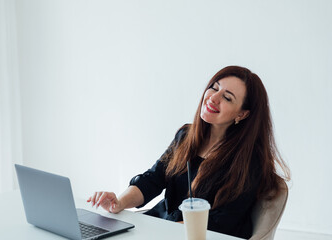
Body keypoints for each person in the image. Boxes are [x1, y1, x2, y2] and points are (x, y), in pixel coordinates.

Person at [87, 66, 290, 239]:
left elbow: (219, 224)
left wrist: (158, 232)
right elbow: (153, 180)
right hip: (160, 227)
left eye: (227, 98)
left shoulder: (249, 162)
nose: (213, 98)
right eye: (214, 87)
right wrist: (119, 202)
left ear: (242, 114)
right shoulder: (186, 136)